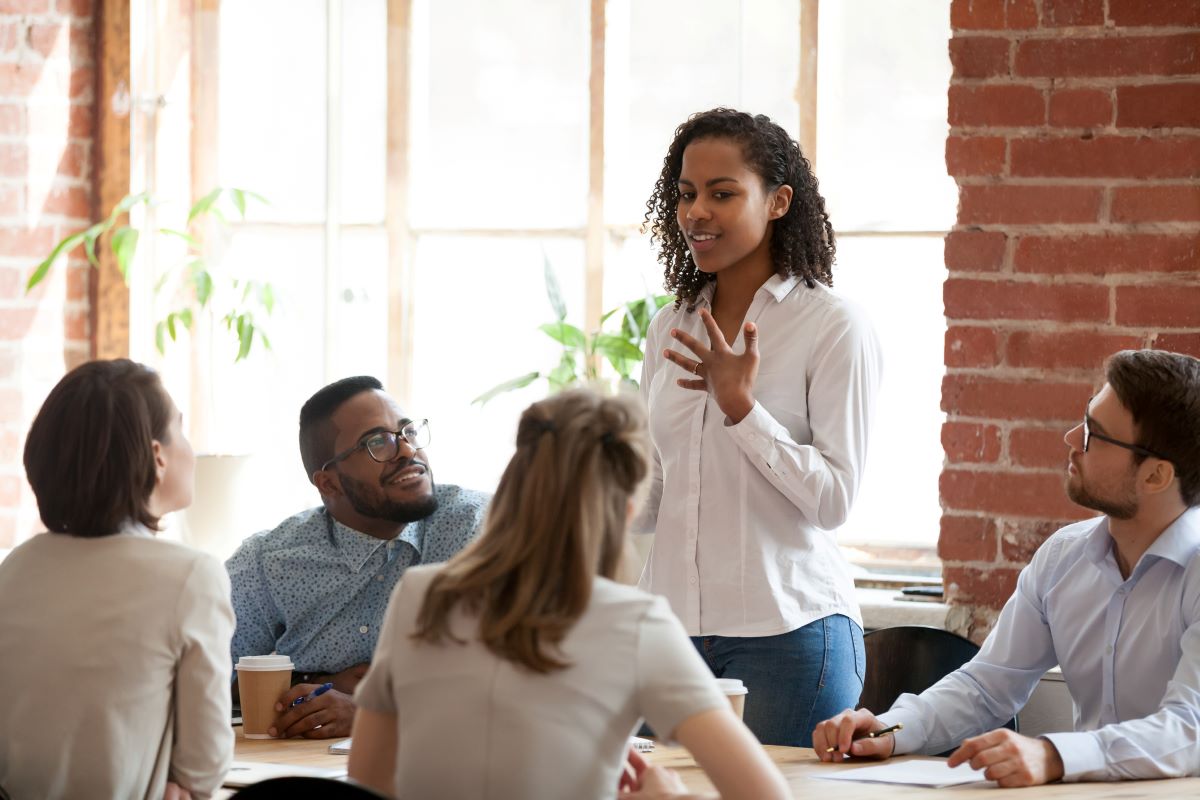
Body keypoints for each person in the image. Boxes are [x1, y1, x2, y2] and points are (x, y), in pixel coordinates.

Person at [347, 389, 790, 800]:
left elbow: (367, 782)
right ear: (626, 513)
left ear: (514, 489)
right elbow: (767, 794)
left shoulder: (421, 596)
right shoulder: (636, 624)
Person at [814, 349, 1200, 786]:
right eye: (1084, 419)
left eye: (1095, 434)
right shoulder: (1063, 557)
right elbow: (987, 686)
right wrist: (893, 728)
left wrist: (1053, 756)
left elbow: (1191, 729)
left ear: (1155, 477)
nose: (1072, 438)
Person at [636, 107, 883, 747]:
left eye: (723, 194)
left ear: (777, 201)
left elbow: (833, 501)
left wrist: (742, 409)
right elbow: (654, 491)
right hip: (669, 638)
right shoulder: (671, 324)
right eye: (687, 195)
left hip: (789, 637)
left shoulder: (832, 327)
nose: (696, 213)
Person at [0, 359, 233, 799]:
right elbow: (204, 768)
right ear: (157, 456)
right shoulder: (191, 576)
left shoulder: (13, 569)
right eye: (180, 430)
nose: (191, 448)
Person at [226, 376, 488, 739]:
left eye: (407, 432)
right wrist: (315, 683)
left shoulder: (478, 530)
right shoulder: (270, 561)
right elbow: (208, 674)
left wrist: (369, 709)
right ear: (329, 483)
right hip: (293, 767)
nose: (408, 451)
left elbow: (512, 675)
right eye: (376, 442)